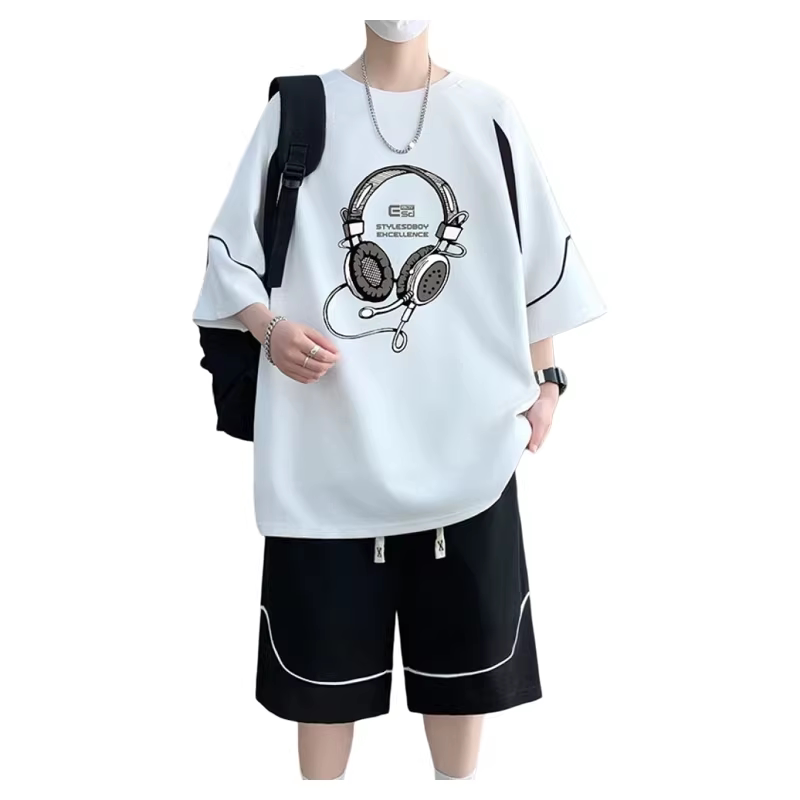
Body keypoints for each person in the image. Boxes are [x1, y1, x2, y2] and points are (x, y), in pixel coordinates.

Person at [192, 19, 606, 781]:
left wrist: (548, 380)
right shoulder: (300, 110)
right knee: (322, 699)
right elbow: (228, 255)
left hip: (468, 458)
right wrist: (268, 328)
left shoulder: (487, 113)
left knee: (461, 696)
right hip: (323, 460)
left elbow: (538, 262)